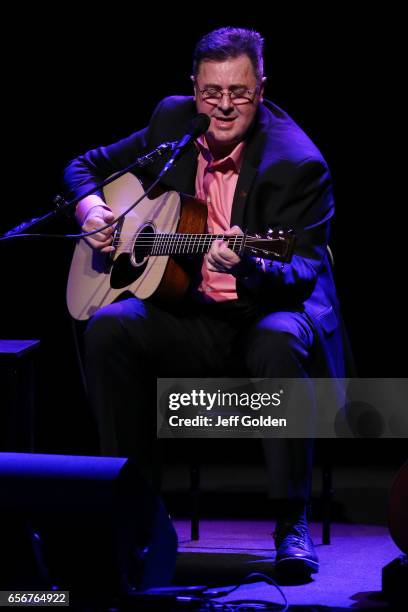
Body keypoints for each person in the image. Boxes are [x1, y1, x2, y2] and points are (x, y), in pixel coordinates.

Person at [63, 27, 347, 578]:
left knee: (280, 338)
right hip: (188, 312)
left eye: (238, 92)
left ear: (261, 87)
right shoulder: (172, 121)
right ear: (193, 88)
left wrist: (250, 263)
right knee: (109, 328)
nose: (222, 106)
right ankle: (136, 512)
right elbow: (84, 165)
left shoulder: (298, 162)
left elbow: (305, 268)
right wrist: (92, 212)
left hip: (265, 308)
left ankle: (291, 521)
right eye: (211, 91)